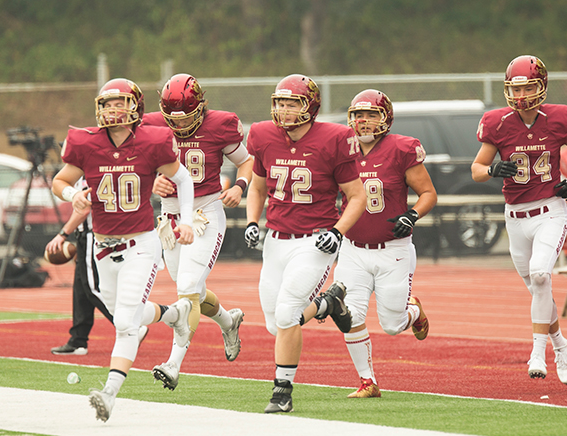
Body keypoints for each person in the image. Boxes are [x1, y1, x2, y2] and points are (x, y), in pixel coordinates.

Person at [51, 78, 197, 423]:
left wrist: (186, 221)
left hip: (142, 244)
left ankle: (110, 393)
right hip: (103, 247)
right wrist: (74, 196)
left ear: (135, 108)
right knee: (126, 315)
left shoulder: (152, 140)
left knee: (124, 322)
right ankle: (175, 315)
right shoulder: (85, 143)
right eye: (106, 104)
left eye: (119, 103)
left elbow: (184, 179)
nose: (112, 110)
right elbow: (61, 180)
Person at [244, 74, 367, 413]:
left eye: (292, 103)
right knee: (276, 323)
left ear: (310, 107)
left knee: (287, 315)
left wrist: (338, 231)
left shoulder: (335, 138)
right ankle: (330, 304)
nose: (283, 110)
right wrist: (253, 221)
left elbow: (357, 196)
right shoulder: (263, 135)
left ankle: (282, 393)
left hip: (314, 242)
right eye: (280, 103)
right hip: (276, 240)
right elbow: (257, 187)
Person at [469, 55, 567, 384]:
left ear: (541, 87)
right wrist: (493, 169)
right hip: (515, 217)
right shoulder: (497, 123)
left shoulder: (559, 118)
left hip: (549, 210)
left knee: (541, 276)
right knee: (538, 288)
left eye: (527, 88)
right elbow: (477, 170)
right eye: (516, 89)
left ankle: (538, 353)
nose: (521, 96)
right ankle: (561, 345)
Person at [142, 74, 252, 390]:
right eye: (172, 120)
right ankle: (229, 321)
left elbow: (247, 162)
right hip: (170, 217)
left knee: (188, 287)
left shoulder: (220, 125)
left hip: (205, 213)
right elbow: (139, 166)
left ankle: (173, 364)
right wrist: (152, 181)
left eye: (187, 119)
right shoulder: (150, 125)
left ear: (201, 108)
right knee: (193, 291)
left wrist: (240, 186)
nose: (179, 127)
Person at [333, 89, 436, 398]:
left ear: (385, 118)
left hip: (393, 250)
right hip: (352, 250)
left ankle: (414, 311)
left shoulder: (402, 149)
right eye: (357, 115)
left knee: (392, 325)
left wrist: (412, 215)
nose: (363, 121)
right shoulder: (341, 149)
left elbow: (428, 193)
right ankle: (368, 381)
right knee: (349, 315)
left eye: (371, 115)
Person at [47, 192, 115, 356]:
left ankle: (128, 324)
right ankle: (78, 340)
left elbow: (83, 210)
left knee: (92, 287)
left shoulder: (86, 173)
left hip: (92, 234)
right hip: (85, 235)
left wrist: (62, 234)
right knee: (80, 289)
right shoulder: (79, 173)